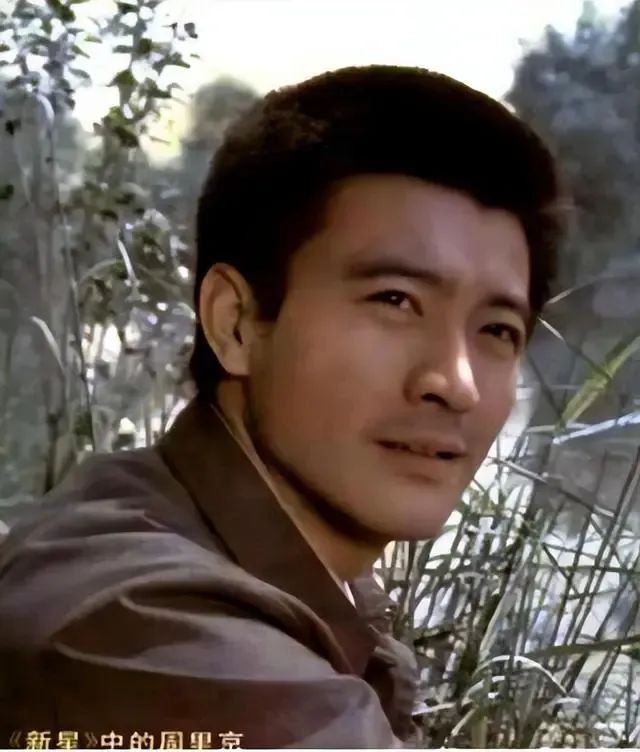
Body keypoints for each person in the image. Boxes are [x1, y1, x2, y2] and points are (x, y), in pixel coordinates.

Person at [0, 64, 566, 748]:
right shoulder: (148, 631)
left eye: (497, 331)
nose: (456, 382)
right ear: (236, 323)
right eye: (394, 301)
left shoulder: (299, 581)